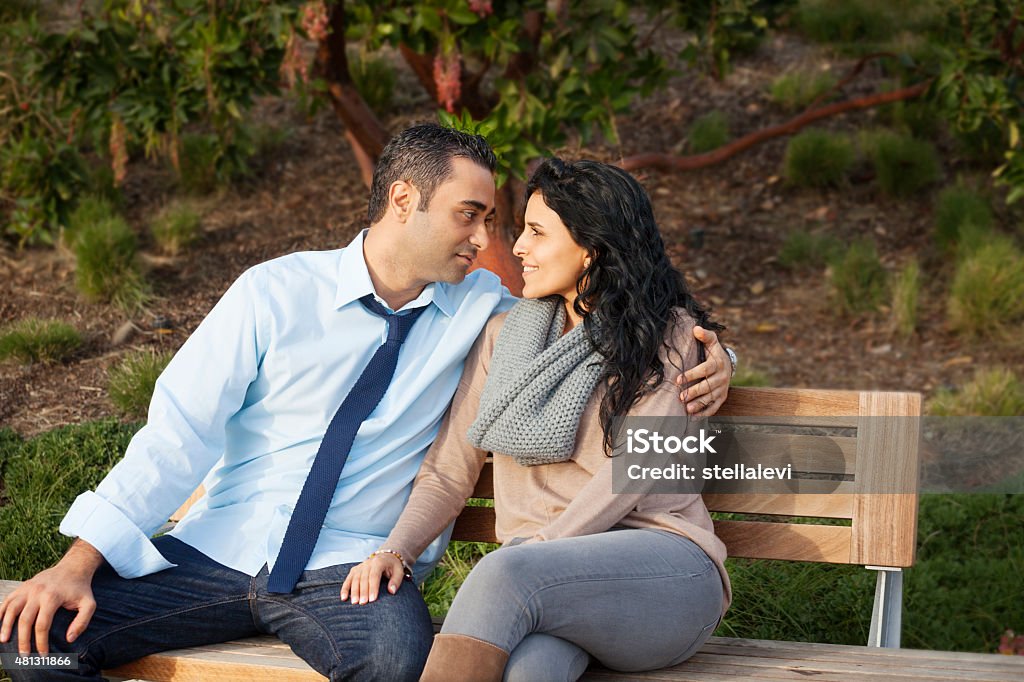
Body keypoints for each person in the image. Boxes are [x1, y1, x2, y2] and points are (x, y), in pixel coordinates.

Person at [0, 127, 733, 682]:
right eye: (470, 216)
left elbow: (636, 333)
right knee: (29, 645)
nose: (491, 243)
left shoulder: (486, 308)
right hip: (220, 550)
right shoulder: (280, 294)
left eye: (508, 226)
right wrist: (78, 563)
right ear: (404, 200)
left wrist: (718, 356)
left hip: (367, 572)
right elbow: (177, 434)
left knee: (396, 655)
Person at [342, 158, 733, 682]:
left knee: (506, 571)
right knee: (530, 672)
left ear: (592, 246)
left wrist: (533, 558)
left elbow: (632, 474)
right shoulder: (505, 337)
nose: (517, 246)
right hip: (544, 586)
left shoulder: (667, 337)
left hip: (664, 576)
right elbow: (449, 469)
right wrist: (398, 549)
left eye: (536, 232)